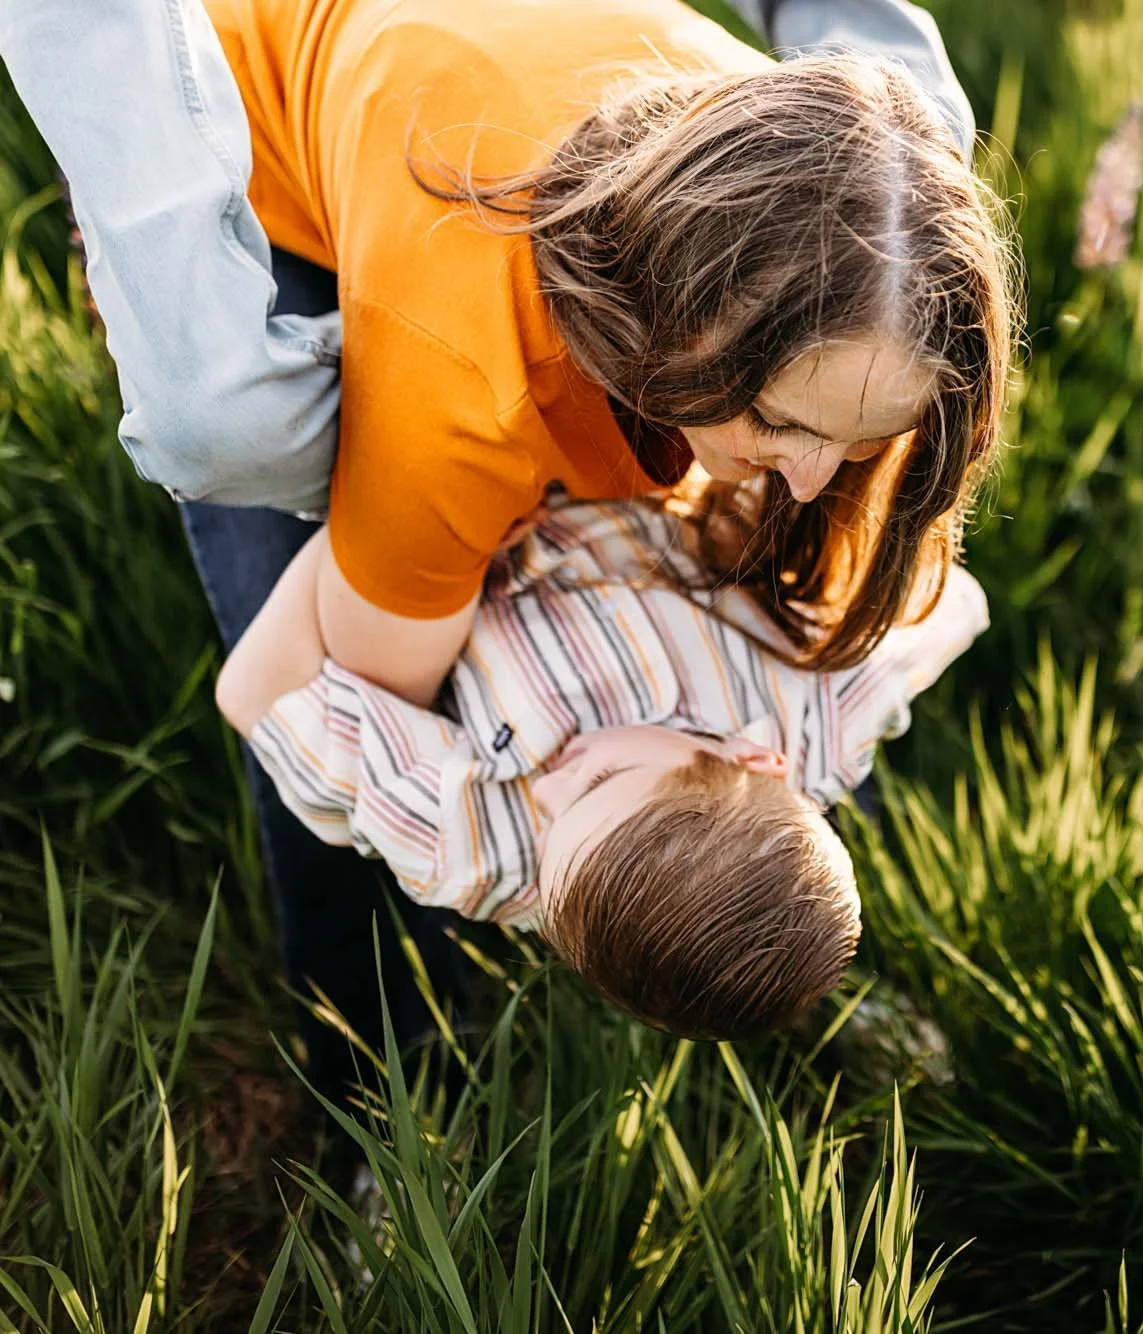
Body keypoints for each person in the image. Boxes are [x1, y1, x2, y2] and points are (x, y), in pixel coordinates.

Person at [0, 0, 1016, 1101]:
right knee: (282, 549)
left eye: (855, 434)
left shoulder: (862, 278)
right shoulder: (463, 384)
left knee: (807, 593)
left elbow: (869, 601)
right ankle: (382, 1080)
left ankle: (822, 983)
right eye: (784, 429)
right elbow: (343, 694)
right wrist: (537, 862)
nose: (816, 474)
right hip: (296, 125)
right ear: (686, 342)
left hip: (522, 74)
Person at [215, 497, 989, 1040]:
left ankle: (389, 1095)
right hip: (609, 450)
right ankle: (841, 993)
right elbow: (937, 609)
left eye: (551, 832)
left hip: (417, 513)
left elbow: (257, 692)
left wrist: (394, 503)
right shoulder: (813, 717)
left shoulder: (484, 845)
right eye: (595, 785)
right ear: (752, 758)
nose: (546, 784)